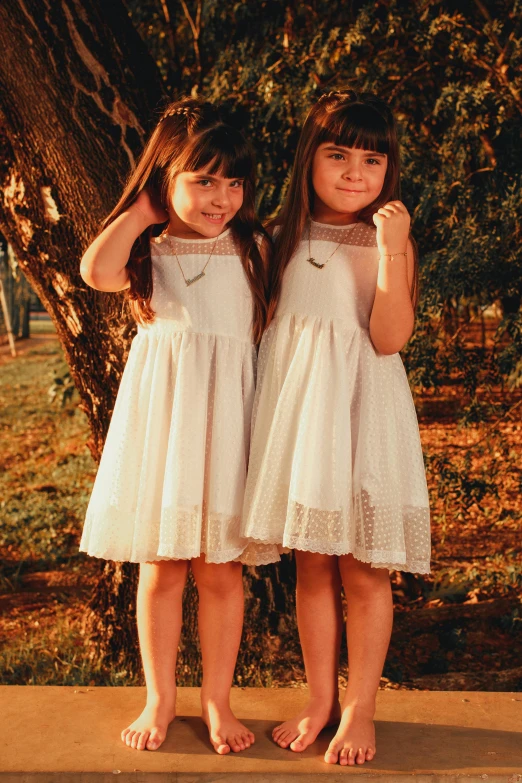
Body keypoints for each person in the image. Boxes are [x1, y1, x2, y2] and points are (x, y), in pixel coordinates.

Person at [241, 89, 431, 766]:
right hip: (301, 427)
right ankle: (321, 697)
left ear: (389, 168)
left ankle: (361, 707)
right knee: (312, 566)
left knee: (366, 570)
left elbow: (388, 337)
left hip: (363, 420)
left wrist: (394, 248)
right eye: (339, 153)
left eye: (372, 159)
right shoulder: (272, 239)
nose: (356, 171)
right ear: (308, 159)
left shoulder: (390, 242)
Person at [79, 97, 274, 756]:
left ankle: (216, 699)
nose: (222, 196)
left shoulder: (252, 247)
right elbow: (95, 271)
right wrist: (140, 210)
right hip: (166, 426)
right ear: (167, 178)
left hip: (229, 426)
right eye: (204, 180)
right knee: (161, 568)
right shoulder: (148, 250)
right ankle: (160, 695)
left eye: (234, 181)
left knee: (221, 570)